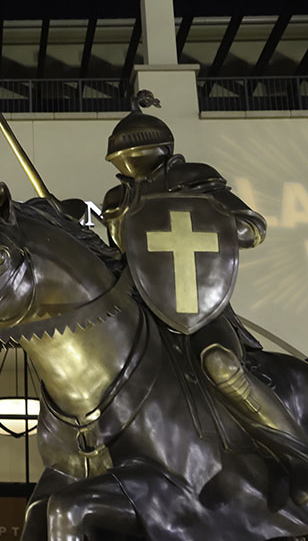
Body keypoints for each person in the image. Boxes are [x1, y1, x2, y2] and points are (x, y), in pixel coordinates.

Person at [101, 90, 308, 505]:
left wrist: (204, 216)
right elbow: (121, 261)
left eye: (134, 151)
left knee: (222, 366)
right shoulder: (117, 200)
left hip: (196, 311)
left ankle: (298, 459)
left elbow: (251, 227)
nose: (128, 162)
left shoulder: (194, 178)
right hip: (141, 316)